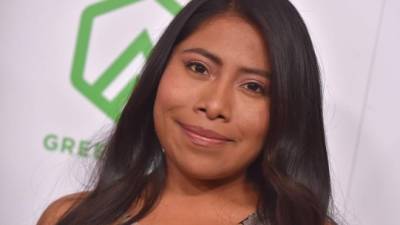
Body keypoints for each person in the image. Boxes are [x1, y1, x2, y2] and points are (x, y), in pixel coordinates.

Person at [38, 0, 337, 225]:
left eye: (254, 87)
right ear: (160, 70)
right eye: (198, 68)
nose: (215, 105)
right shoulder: (69, 217)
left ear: (288, 109)